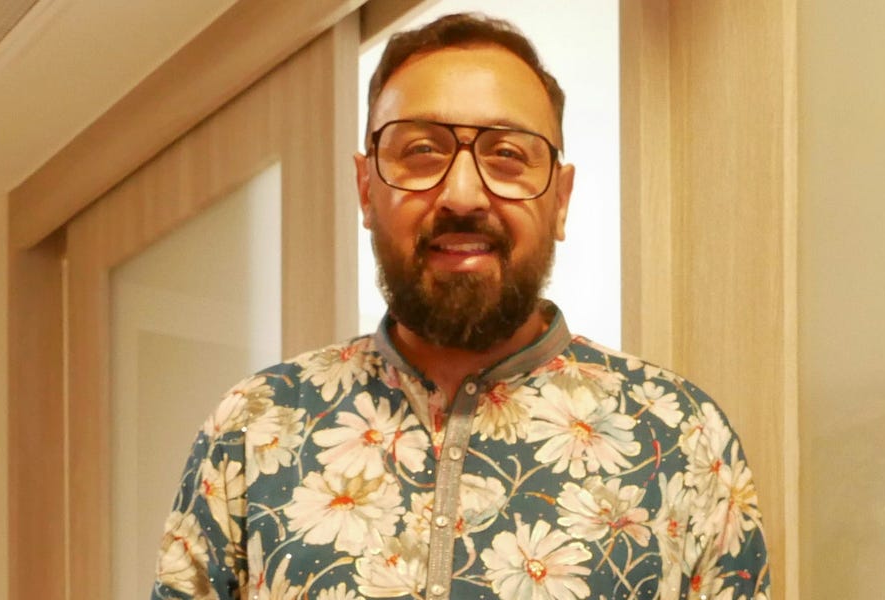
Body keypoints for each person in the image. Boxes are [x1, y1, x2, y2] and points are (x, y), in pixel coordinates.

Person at [152, 12, 770, 600]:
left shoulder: (682, 437)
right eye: (422, 150)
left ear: (560, 200)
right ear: (366, 190)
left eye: (508, 155)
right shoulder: (255, 425)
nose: (463, 194)